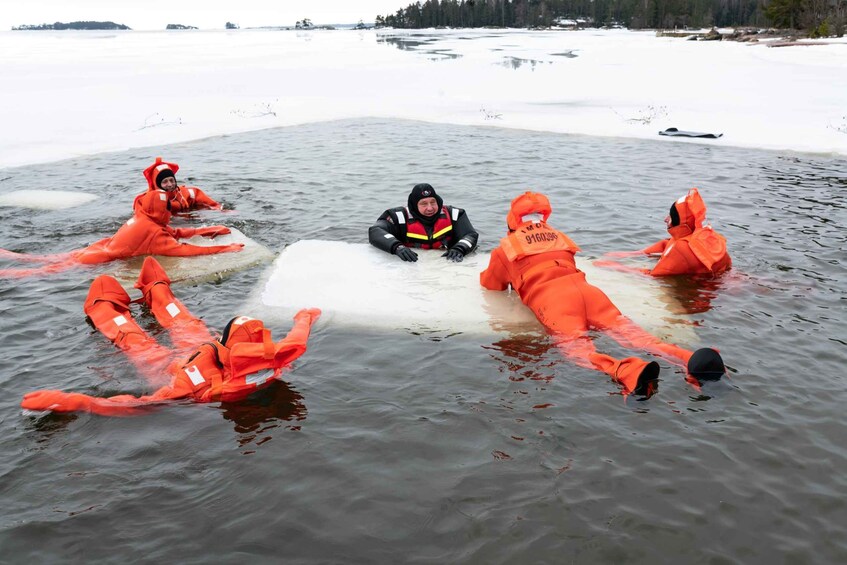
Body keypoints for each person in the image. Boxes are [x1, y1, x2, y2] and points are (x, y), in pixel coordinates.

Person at [479, 191, 726, 396]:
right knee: (636, 336)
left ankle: (627, 371)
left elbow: (492, 284)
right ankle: (690, 358)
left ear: (512, 221)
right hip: (589, 293)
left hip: (555, 302)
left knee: (579, 350)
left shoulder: (506, 249)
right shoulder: (560, 239)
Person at [20, 256, 321, 416]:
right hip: (199, 349)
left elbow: (136, 405)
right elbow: (296, 340)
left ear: (226, 343)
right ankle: (156, 290)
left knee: (132, 339)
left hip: (171, 368)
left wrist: (75, 401)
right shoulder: (274, 359)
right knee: (182, 321)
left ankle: (108, 302)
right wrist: (304, 317)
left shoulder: (192, 384)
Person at [0, 189, 241, 278]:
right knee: (38, 272)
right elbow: (183, 251)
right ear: (160, 209)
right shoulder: (153, 231)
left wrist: (209, 229)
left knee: (41, 261)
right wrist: (224, 248)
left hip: (95, 248)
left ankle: (6, 254)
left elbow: (176, 232)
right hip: (96, 259)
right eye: (167, 208)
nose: (170, 211)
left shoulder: (145, 217)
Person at [595, 187, 731, 277]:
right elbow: (666, 244)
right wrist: (634, 254)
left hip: (708, 290)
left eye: (670, 216)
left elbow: (653, 275)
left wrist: (615, 266)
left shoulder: (682, 248)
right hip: (728, 277)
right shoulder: (702, 234)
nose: (665, 219)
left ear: (681, 221)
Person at [368, 183, 479, 262]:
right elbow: (375, 231)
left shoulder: (455, 214)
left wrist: (460, 248)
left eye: (432, 202)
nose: (430, 208)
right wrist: (397, 247)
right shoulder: (397, 216)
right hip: (413, 268)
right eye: (424, 204)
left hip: (445, 265)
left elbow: (470, 235)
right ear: (414, 205)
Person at [136, 156, 222, 214]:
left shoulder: (190, 193)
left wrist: (223, 211)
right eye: (165, 181)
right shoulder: (144, 201)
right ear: (157, 184)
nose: (170, 184)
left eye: (171, 180)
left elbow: (214, 205)